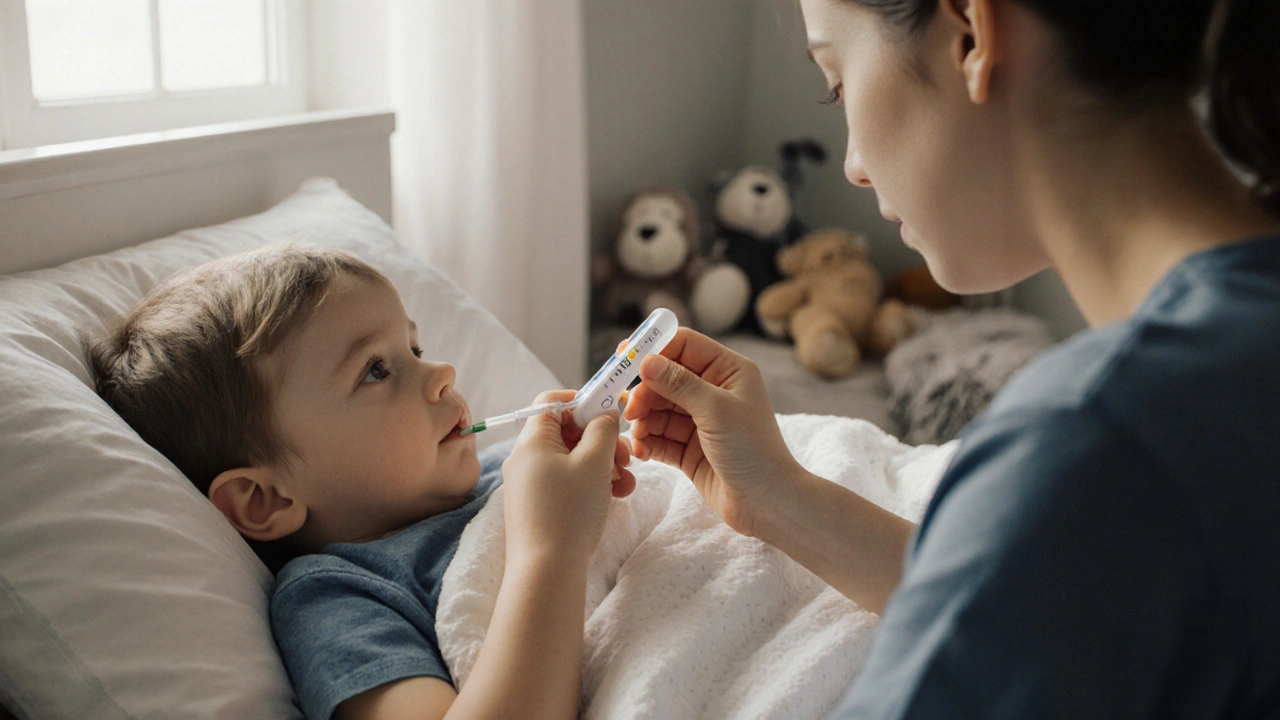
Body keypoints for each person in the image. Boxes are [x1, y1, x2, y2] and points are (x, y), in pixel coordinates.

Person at [625, 0, 1280, 717]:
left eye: (837, 83)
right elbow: (1058, 610)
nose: (852, 168)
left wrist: (546, 562)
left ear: (971, 31)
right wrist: (778, 497)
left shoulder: (1101, 437)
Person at [90, 243, 634, 720]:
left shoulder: (513, 468)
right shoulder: (339, 599)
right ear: (265, 499)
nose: (442, 371)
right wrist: (553, 543)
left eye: (414, 349)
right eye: (376, 369)